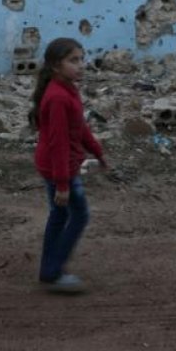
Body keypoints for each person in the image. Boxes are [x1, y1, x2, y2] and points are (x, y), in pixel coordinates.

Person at [30, 37, 108, 293]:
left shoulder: (67, 89)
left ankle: (49, 269)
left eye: (81, 59)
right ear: (55, 66)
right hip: (58, 169)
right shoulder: (57, 97)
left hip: (58, 166)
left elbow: (80, 128)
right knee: (79, 215)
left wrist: (97, 152)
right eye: (73, 60)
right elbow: (59, 144)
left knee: (60, 215)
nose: (80, 65)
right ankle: (53, 271)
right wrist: (62, 184)